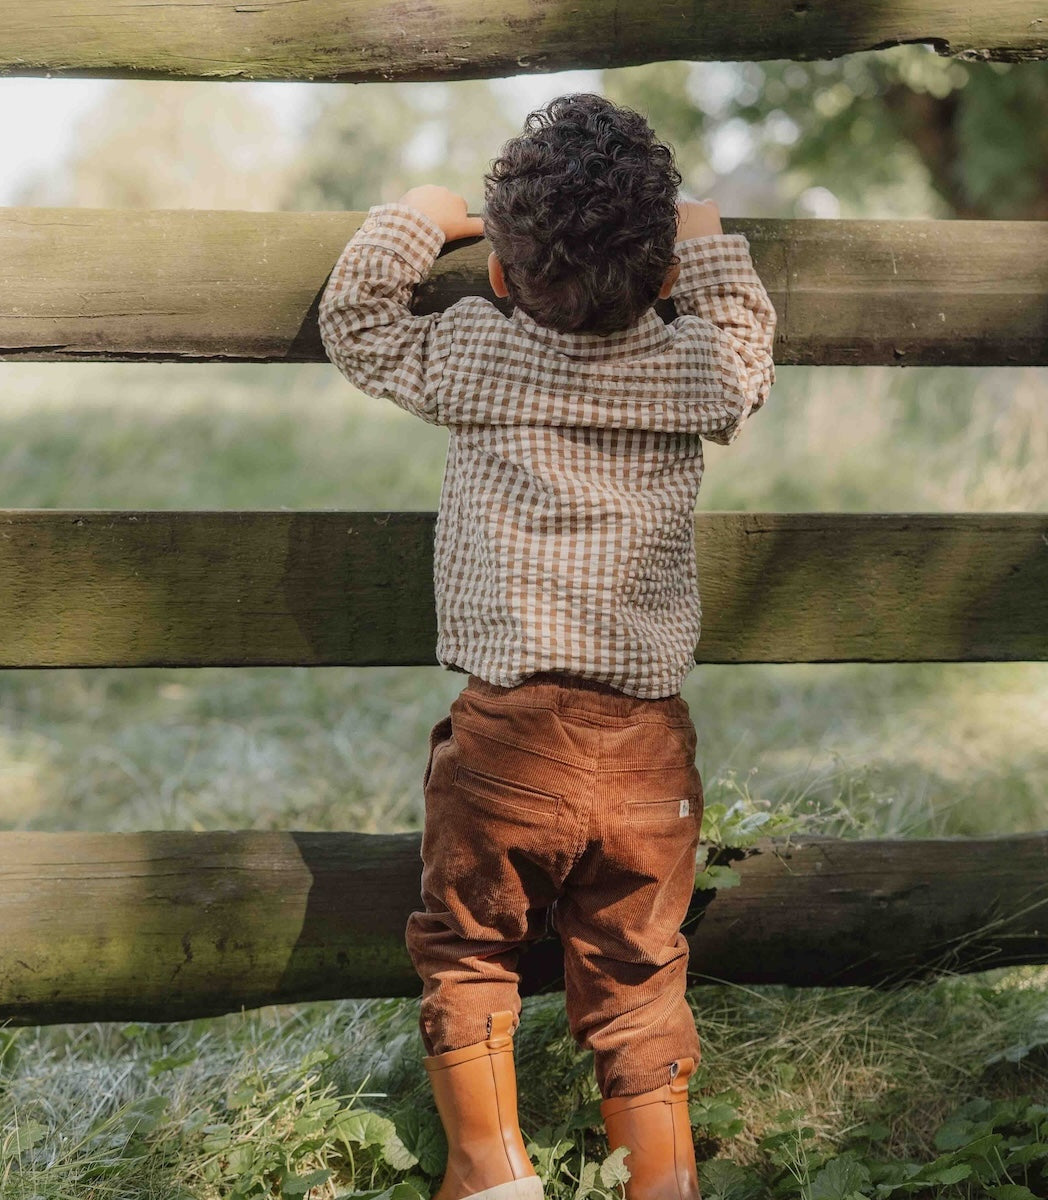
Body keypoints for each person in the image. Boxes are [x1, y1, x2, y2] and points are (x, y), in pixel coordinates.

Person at [318, 92, 776, 1200]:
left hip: (506, 734)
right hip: (645, 746)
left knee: (468, 945)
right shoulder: (689, 372)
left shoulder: (475, 349)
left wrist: (415, 220)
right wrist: (710, 249)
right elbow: (749, 353)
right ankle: (659, 1180)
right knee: (637, 973)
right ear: (662, 277)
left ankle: (487, 1168)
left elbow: (358, 323)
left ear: (505, 277)